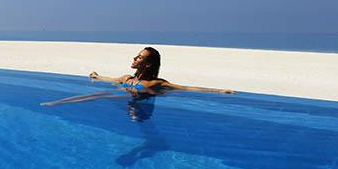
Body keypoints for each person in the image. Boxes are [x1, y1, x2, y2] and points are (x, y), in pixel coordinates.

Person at [41, 46, 232, 106]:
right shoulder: (126, 78)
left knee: (106, 95)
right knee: (103, 94)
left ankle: (57, 103)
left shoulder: (155, 82)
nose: (134, 58)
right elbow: (110, 79)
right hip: (127, 96)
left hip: (141, 101)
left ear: (147, 64)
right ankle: (58, 103)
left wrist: (218, 90)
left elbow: (186, 88)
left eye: (139, 57)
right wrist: (97, 76)